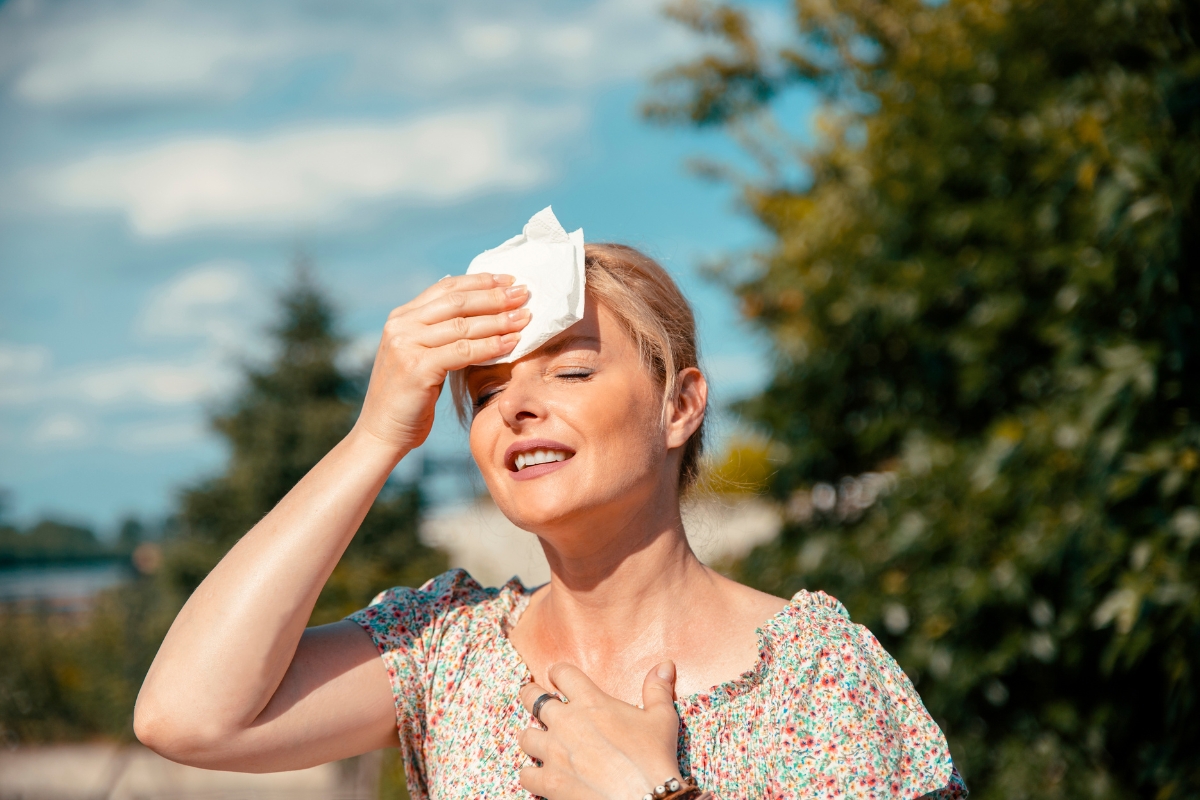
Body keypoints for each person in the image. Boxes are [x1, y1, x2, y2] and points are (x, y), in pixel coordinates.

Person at [135, 243, 968, 799]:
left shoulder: (820, 676)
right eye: (488, 393)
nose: (519, 407)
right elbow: (189, 716)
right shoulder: (445, 651)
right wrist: (378, 434)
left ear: (680, 406)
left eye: (570, 371)